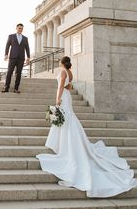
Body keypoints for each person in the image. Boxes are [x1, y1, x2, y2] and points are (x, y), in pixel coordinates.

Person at [36, 56, 137, 198]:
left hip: (63, 97)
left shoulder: (63, 72)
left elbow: (61, 86)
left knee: (64, 119)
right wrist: (63, 93)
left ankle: (64, 146)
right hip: (67, 96)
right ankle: (63, 143)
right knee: (67, 120)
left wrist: (58, 98)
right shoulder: (70, 72)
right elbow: (69, 87)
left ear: (61, 62)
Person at [2, 23, 30, 93]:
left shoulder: (25, 38)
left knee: (19, 73)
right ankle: (6, 87)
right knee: (9, 72)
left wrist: (28, 57)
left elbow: (27, 48)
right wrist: (6, 54)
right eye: (19, 28)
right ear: (16, 28)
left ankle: (16, 88)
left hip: (21, 58)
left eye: (22, 28)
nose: (21, 29)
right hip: (12, 57)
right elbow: (7, 46)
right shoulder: (11, 36)